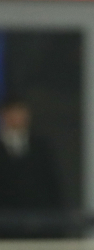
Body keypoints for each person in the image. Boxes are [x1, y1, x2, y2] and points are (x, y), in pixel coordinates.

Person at [0, 94, 63, 238]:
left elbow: (52, 186)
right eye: (12, 112)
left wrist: (56, 226)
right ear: (4, 115)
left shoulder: (41, 148)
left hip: (38, 228)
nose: (17, 117)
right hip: (5, 230)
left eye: (21, 111)